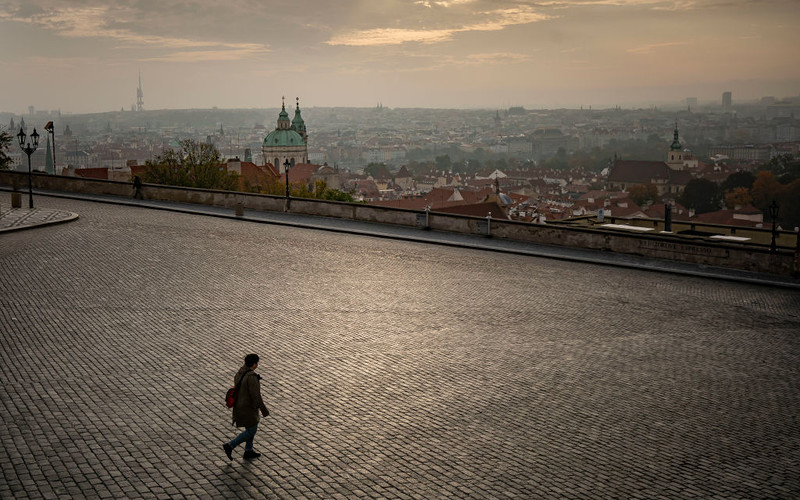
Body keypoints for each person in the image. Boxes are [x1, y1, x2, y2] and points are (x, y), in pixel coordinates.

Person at [223, 354, 269, 460]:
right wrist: (264, 410)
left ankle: (248, 450)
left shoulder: (240, 372)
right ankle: (230, 445)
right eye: (257, 362)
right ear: (254, 364)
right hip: (248, 407)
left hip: (240, 405)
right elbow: (256, 396)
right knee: (251, 430)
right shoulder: (251, 377)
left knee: (251, 426)